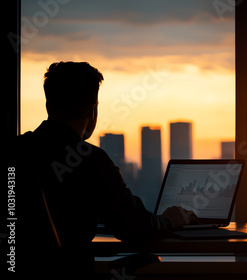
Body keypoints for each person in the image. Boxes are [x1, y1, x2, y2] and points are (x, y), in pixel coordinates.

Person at [8, 61, 198, 279]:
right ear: (93, 109)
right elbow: (133, 227)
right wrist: (168, 220)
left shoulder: (14, 150)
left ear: (48, 105)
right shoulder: (90, 160)